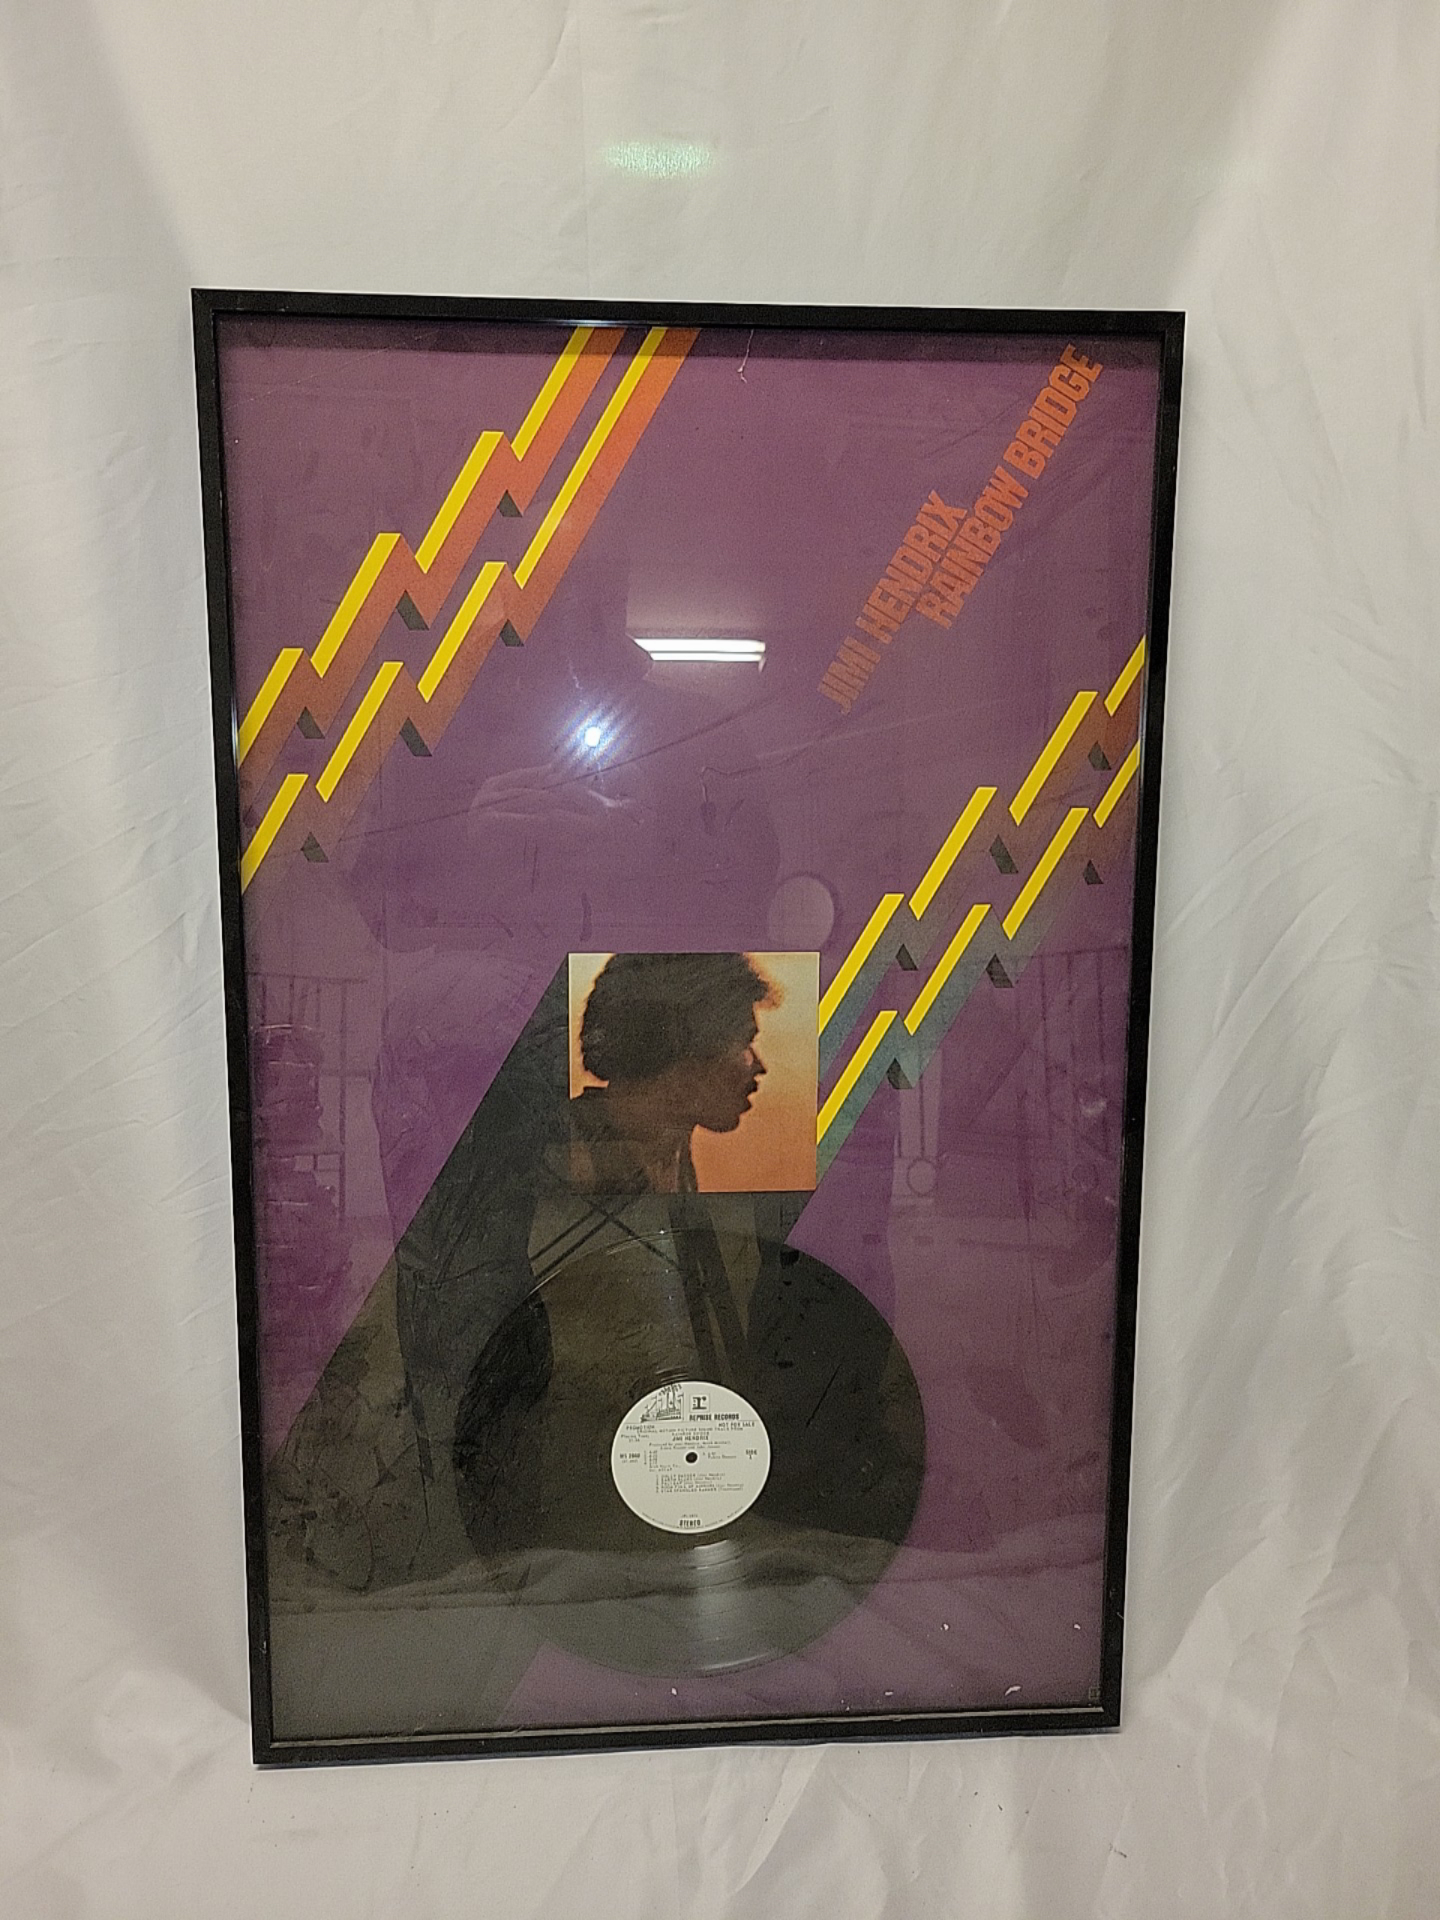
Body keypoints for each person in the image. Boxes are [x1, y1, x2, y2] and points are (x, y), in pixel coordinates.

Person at [568, 952, 775, 1194]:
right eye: (744, 1043)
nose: (759, 1067)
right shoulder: (566, 1157)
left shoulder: (668, 1154)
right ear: (683, 1054)